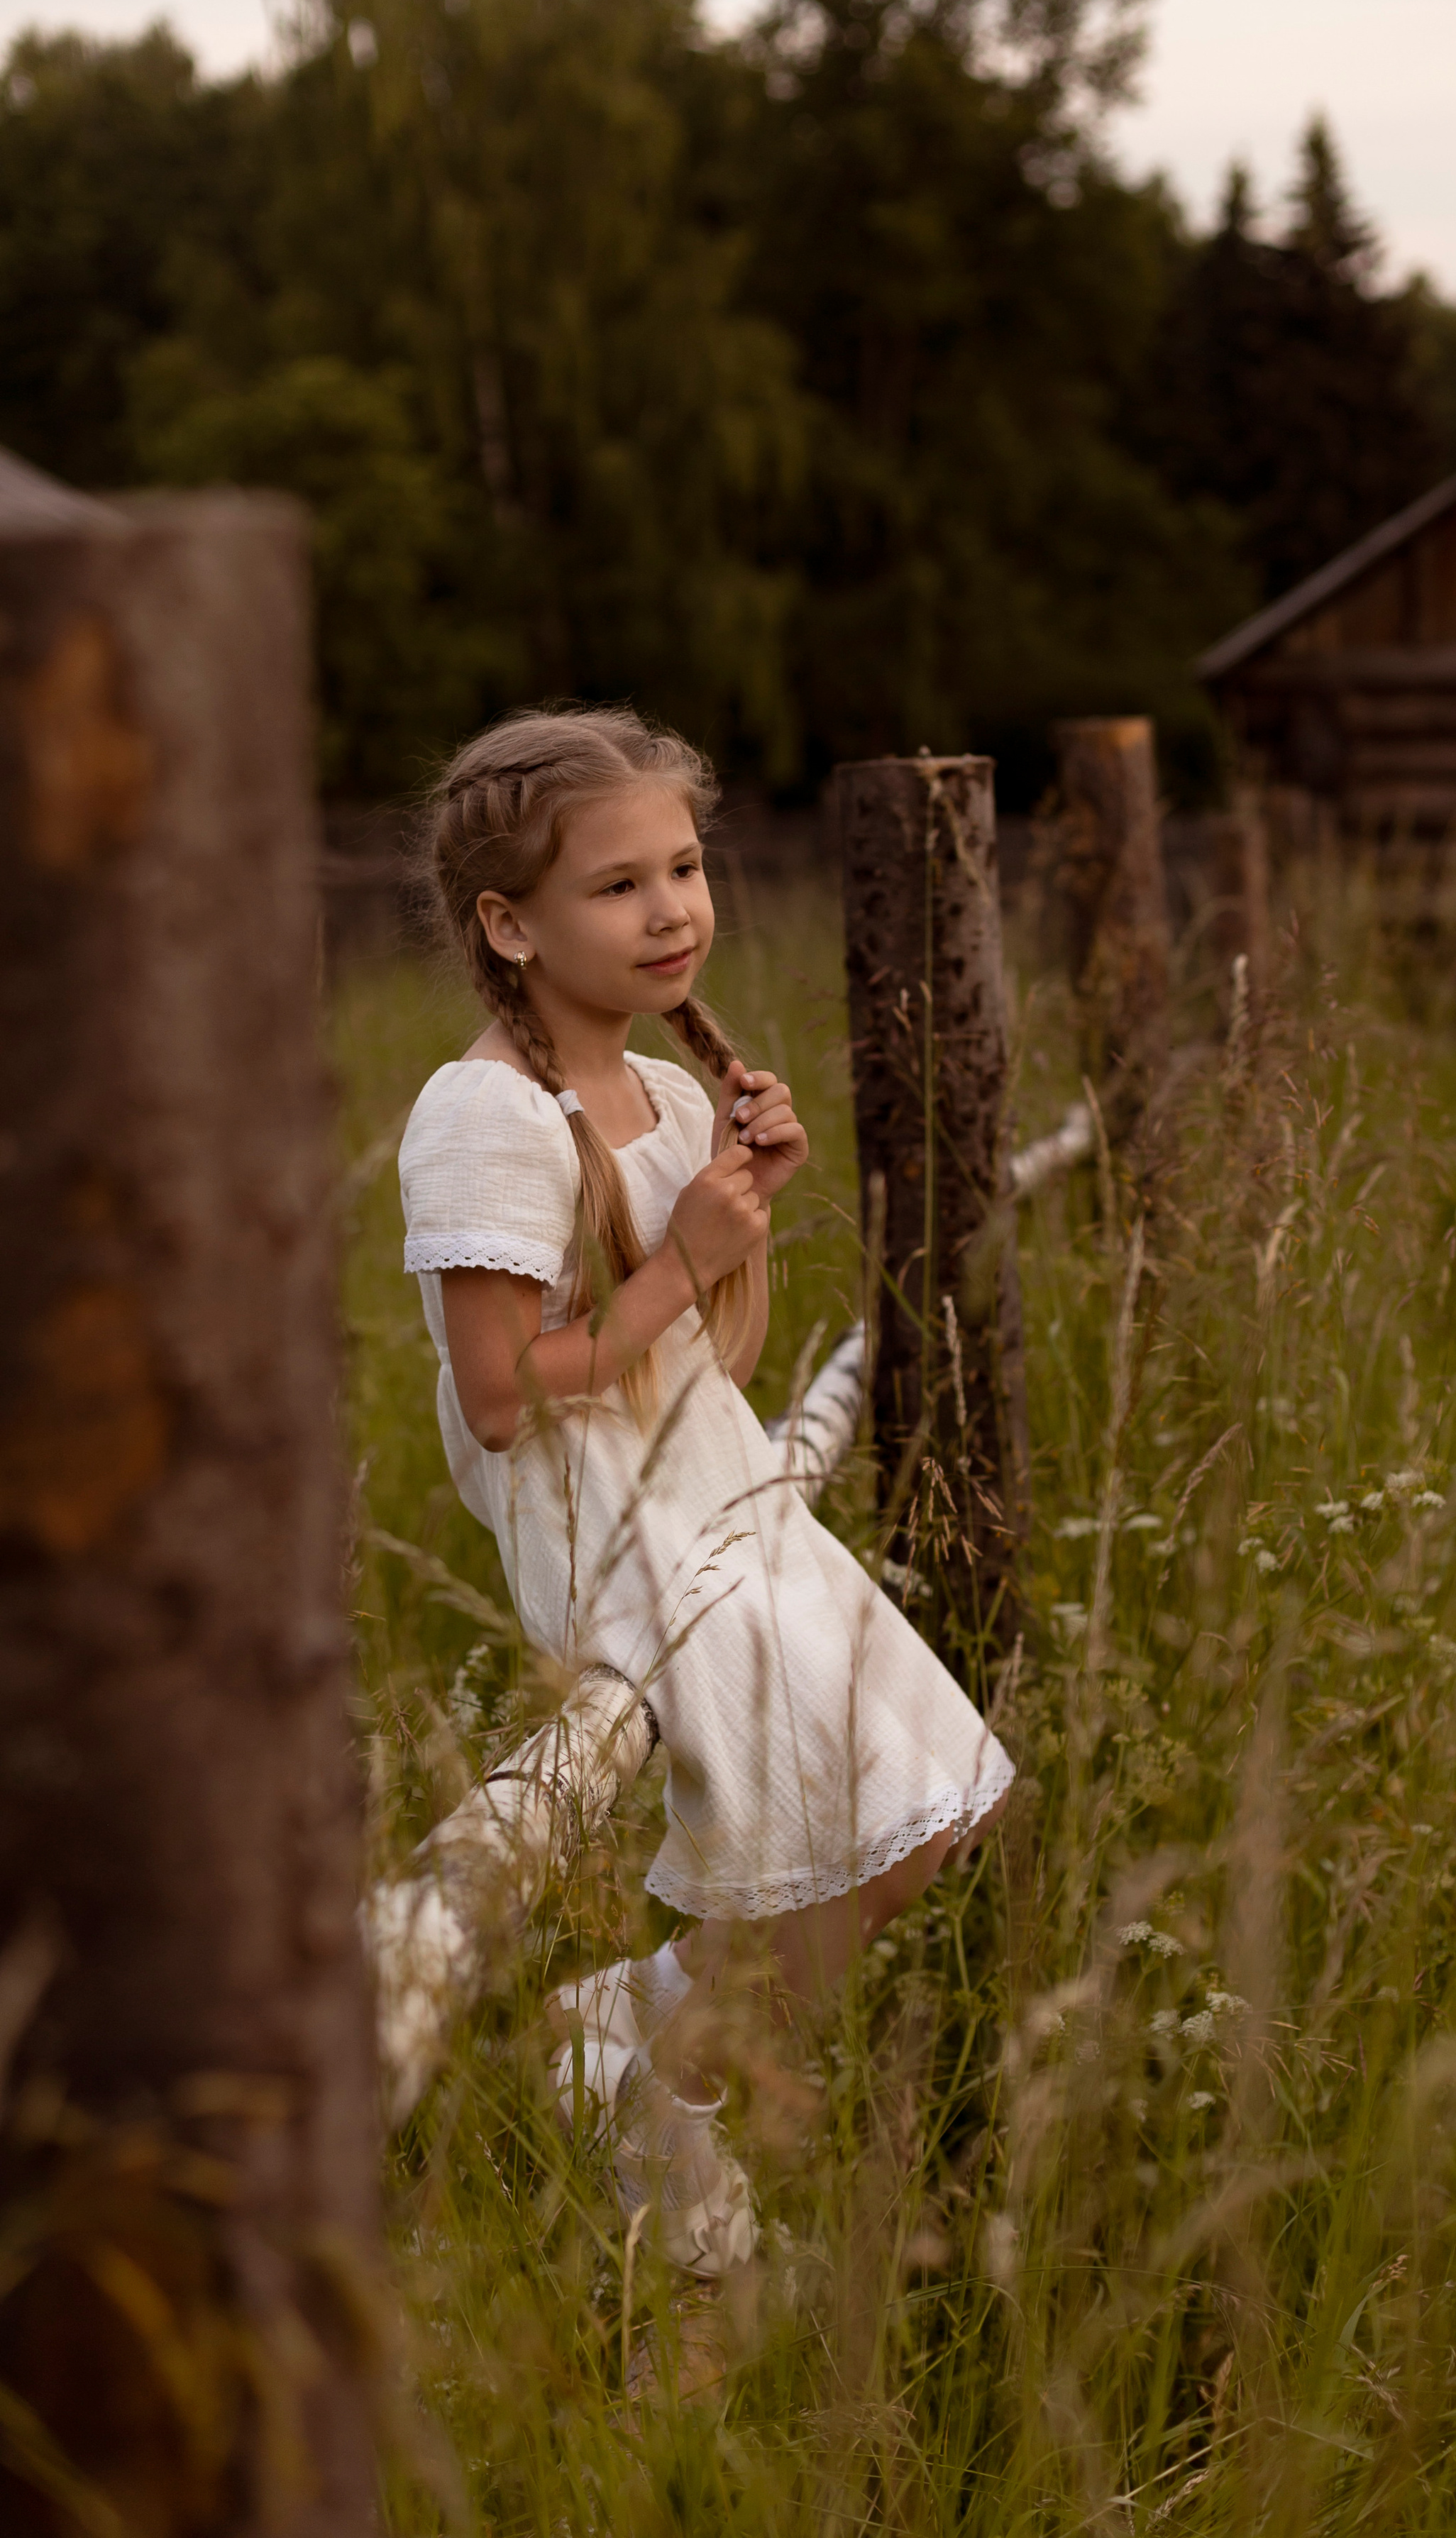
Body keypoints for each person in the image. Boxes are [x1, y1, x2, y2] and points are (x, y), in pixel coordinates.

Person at [399, 707, 1013, 2276]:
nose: (671, 909)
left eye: (682, 866)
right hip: (609, 1526)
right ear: (508, 923)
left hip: (714, 1483)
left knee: (929, 1806)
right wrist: (681, 1254)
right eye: (616, 887)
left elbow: (708, 1357)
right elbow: (496, 1390)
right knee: (860, 1822)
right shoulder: (483, 1113)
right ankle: (641, 2072)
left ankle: (630, 2025)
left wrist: (733, 1224)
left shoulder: (665, 1101)